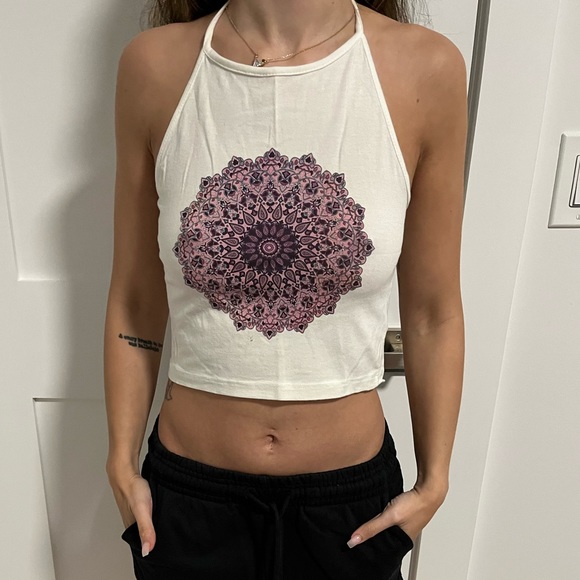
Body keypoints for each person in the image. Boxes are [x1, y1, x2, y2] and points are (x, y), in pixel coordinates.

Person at [104, 0, 467, 578]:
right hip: (189, 506)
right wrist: (122, 465)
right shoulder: (154, 65)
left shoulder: (426, 68)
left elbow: (432, 312)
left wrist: (436, 480)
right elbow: (135, 301)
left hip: (350, 516)